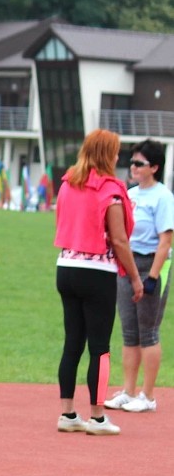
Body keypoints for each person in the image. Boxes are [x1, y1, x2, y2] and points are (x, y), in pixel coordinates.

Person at [54, 129, 143, 437]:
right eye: (116, 152)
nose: (119, 157)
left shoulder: (68, 184)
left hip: (65, 266)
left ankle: (67, 411)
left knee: (72, 342)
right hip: (97, 271)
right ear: (107, 154)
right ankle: (98, 416)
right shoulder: (111, 191)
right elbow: (118, 239)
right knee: (100, 348)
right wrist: (134, 277)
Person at [104, 139, 174, 413]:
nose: (132, 167)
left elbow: (165, 241)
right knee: (129, 331)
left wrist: (153, 277)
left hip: (151, 265)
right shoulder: (129, 194)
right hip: (128, 264)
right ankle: (128, 390)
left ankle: (148, 395)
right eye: (131, 162)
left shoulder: (163, 197)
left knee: (148, 331)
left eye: (139, 163)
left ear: (154, 167)